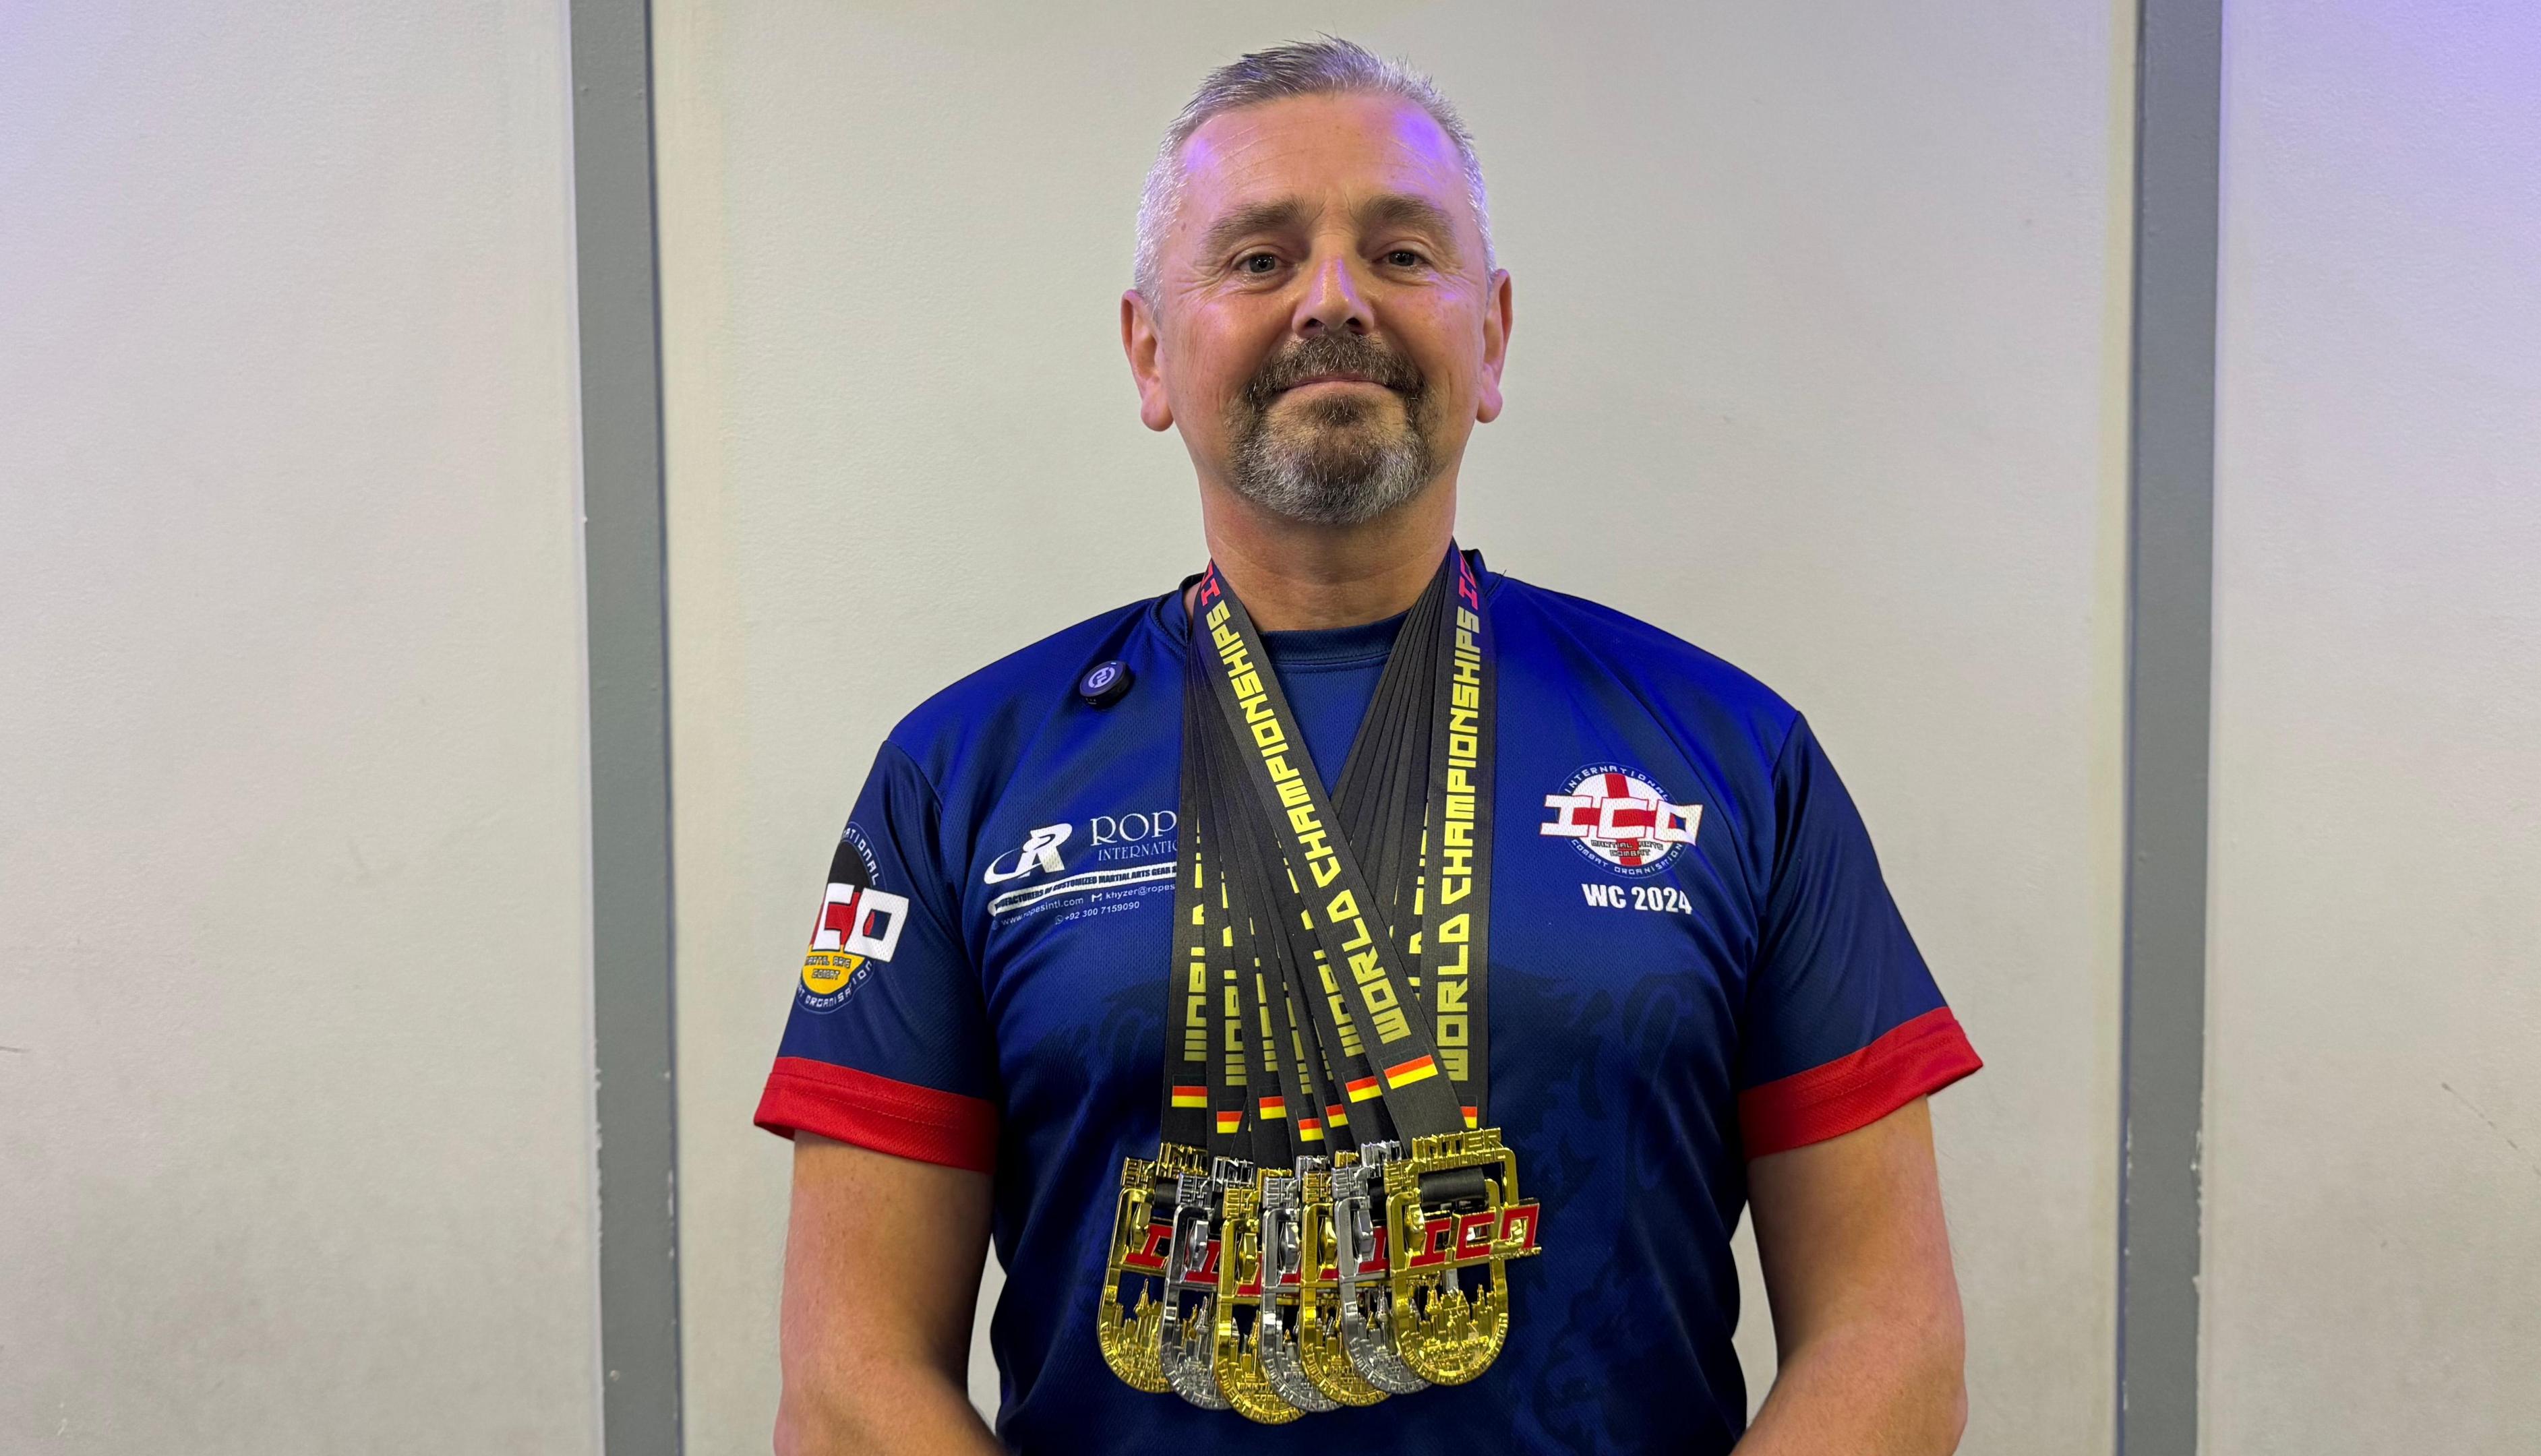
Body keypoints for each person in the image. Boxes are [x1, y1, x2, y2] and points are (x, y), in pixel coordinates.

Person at [758, 37, 1979, 1455]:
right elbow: (848, 1384)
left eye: (1400, 254)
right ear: (1152, 350)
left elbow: (1892, 1341)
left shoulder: (1730, 753)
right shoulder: (959, 777)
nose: (1332, 298)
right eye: (1259, 259)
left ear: (1495, 337)